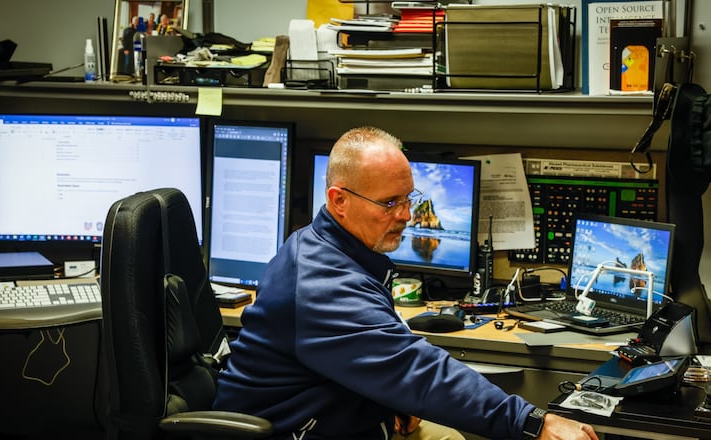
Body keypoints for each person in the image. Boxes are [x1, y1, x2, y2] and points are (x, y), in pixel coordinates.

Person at [213, 126, 599, 440]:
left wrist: (389, 401)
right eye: (389, 203)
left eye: (409, 198)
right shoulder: (320, 282)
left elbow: (373, 356)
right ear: (339, 200)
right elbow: (418, 371)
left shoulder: (340, 249)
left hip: (344, 413)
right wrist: (533, 422)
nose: (407, 215)